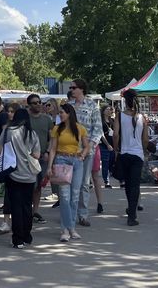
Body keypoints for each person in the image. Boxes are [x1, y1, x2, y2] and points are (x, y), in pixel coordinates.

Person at [47, 103, 90, 242]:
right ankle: (66, 228)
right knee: (64, 197)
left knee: (75, 196)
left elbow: (87, 145)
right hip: (61, 160)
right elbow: (53, 148)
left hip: (76, 161)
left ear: (69, 113)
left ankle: (69, 228)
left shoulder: (80, 128)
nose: (60, 114)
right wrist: (50, 166)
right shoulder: (56, 129)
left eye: (62, 112)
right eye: (59, 112)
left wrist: (82, 155)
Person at [2, 108, 40, 249]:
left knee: (16, 206)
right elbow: (37, 154)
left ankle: (17, 239)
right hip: (29, 174)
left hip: (13, 172)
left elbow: (0, 150)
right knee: (26, 205)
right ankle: (27, 235)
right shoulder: (32, 134)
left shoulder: (9, 131)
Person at [69, 80, 102, 227]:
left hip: (86, 151)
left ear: (81, 89)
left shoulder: (92, 105)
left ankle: (83, 215)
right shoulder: (68, 106)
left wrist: (90, 147)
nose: (71, 89)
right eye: (70, 87)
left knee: (83, 183)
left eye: (73, 87)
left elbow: (98, 129)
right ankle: (69, 213)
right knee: (69, 183)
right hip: (69, 151)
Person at [114, 89, 148, 226]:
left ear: (124, 101)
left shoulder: (119, 116)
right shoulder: (142, 117)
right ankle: (132, 215)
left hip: (124, 153)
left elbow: (115, 134)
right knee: (135, 184)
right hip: (137, 154)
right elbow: (145, 138)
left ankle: (131, 208)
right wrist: (143, 150)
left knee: (128, 184)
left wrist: (116, 148)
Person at [26, 94, 53, 224]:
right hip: (26, 157)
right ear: (29, 105)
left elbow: (52, 138)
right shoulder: (25, 119)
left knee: (38, 186)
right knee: (28, 184)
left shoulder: (47, 119)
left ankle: (35, 211)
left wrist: (48, 151)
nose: (38, 105)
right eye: (34, 103)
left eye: (39, 102)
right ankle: (26, 209)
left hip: (42, 156)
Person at [0, 102, 19, 234]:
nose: (9, 114)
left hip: (20, 166)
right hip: (9, 165)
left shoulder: (23, 129)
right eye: (8, 111)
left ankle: (17, 221)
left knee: (18, 195)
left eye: (12, 111)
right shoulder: (7, 129)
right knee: (8, 194)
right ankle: (6, 221)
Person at [99, 106, 116, 188]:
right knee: (105, 162)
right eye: (107, 109)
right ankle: (106, 181)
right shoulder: (100, 122)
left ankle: (114, 176)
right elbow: (101, 134)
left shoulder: (112, 121)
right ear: (103, 111)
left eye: (110, 109)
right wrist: (107, 144)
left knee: (112, 162)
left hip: (113, 144)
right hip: (103, 145)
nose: (110, 111)